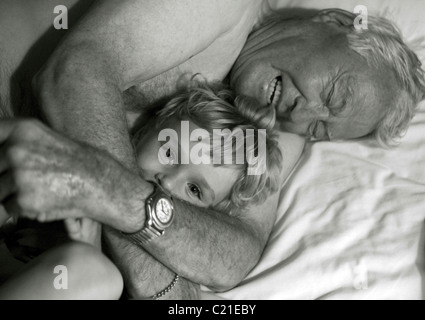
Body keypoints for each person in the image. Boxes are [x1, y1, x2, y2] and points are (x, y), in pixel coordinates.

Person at [0, 0, 424, 299]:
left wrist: (113, 199)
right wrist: (158, 282)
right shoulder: (226, 8)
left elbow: (231, 255)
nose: (305, 111)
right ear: (334, 20)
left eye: (321, 128)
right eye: (332, 92)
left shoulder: (272, 120)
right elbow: (72, 73)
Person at [0, 80, 295, 299]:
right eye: (168, 152)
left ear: (211, 216)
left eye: (194, 189)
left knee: (96, 275)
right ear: (142, 133)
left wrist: (83, 251)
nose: (167, 183)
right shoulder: (78, 163)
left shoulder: (180, 272)